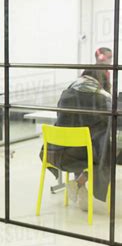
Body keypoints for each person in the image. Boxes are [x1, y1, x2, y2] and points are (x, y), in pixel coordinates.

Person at [42, 70, 111, 211]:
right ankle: (80, 182)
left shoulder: (66, 93)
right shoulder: (103, 98)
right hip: (81, 155)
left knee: (83, 142)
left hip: (55, 152)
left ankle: (80, 185)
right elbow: (111, 122)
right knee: (109, 150)